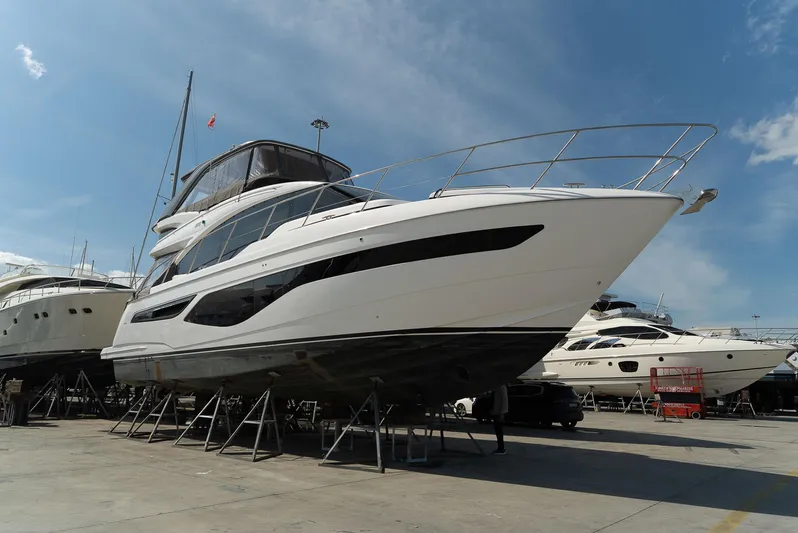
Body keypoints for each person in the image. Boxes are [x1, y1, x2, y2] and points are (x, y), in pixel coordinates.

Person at [491, 383, 508, 455]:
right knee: (499, 430)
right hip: (499, 411)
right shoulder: (502, 386)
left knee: (498, 430)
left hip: (498, 411)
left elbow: (500, 400)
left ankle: (501, 448)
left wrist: (499, 411)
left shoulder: (499, 387)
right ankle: (501, 447)